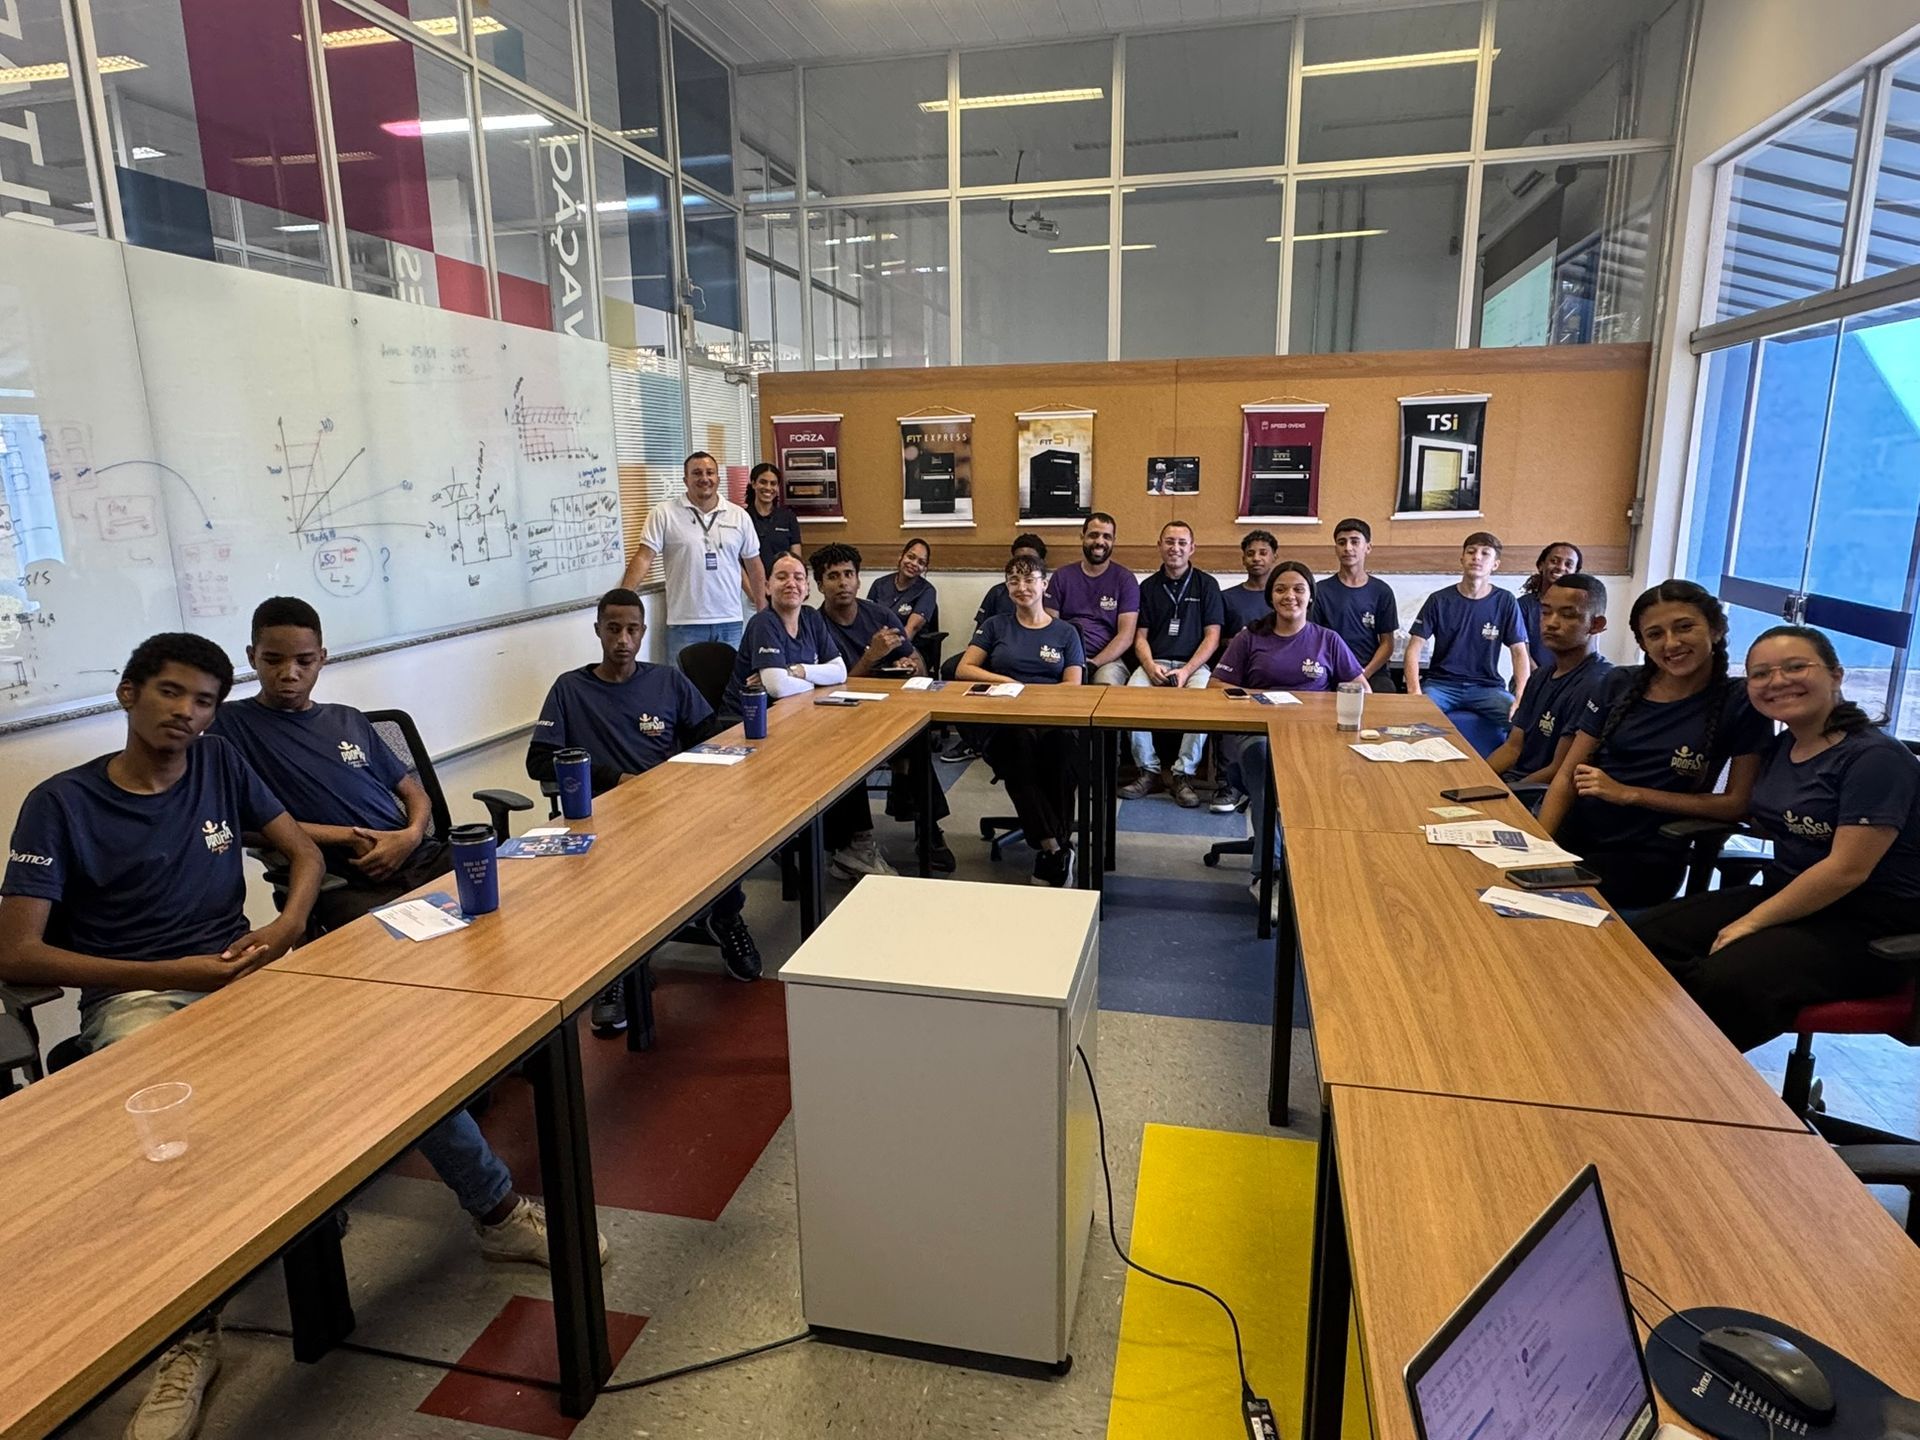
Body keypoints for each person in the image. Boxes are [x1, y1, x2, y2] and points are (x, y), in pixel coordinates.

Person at [2, 634, 592, 1440]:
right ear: (127, 693)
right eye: (169, 693)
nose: (186, 713)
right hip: (143, 995)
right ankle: (184, 1336)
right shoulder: (61, 803)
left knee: (398, 1068)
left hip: (245, 969)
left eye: (204, 701)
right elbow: (17, 951)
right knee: (174, 1153)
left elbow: (302, 851)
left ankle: (497, 1215)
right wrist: (177, 970)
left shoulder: (218, 765)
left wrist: (282, 926)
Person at [1634, 626, 1920, 1053]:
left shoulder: (1875, 758)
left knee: (1722, 980)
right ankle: (1636, 1059)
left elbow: (1846, 870)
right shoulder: (1784, 746)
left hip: (1869, 926)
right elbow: (1773, 818)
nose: (1777, 681)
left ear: (1836, 675)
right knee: (1639, 940)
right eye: (1760, 674)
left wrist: (1751, 922)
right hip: (1791, 897)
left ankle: (1683, 1086)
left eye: (1795, 667)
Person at [528, 589, 763, 1003]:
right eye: (613, 629)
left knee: (728, 834)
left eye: (632, 630)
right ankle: (613, 973)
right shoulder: (570, 689)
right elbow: (540, 761)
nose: (623, 639)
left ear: (643, 632)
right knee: (612, 884)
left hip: (667, 807)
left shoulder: (667, 679)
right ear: (598, 631)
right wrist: (615, 779)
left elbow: (705, 736)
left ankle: (726, 921)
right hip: (602, 814)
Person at [209, 597, 445, 932]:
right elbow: (237, 824)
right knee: (385, 955)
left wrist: (411, 835)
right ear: (251, 657)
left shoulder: (348, 718)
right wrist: (349, 837)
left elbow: (413, 792)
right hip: (343, 877)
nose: (289, 674)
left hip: (417, 855)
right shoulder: (229, 725)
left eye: (304, 661)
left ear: (322, 658)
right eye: (273, 660)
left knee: (510, 889)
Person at [1538, 580, 1771, 910]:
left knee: (1544, 907)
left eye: (1684, 627)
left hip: (1644, 858)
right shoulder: (1617, 684)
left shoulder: (1740, 701)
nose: (1671, 643)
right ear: (1643, 643)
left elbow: (1735, 804)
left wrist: (1631, 794)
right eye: (1655, 634)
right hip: (1576, 831)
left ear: (1717, 629)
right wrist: (1541, 845)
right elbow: (1566, 776)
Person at [726, 554, 897, 883]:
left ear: (807, 589)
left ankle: (850, 846)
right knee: (838, 754)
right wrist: (810, 680)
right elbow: (776, 687)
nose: (790, 583)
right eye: (781, 577)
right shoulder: (764, 623)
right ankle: (849, 848)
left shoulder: (810, 619)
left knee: (848, 750)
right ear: (766, 586)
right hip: (748, 730)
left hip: (795, 718)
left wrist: (798, 671)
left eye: (798, 578)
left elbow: (839, 672)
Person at [1209, 563, 1365, 907]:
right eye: (1280, 589)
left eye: (1298, 589)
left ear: (1310, 596)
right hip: (1258, 735)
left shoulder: (1328, 640)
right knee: (1268, 762)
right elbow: (1216, 685)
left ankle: (1326, 865)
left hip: (1315, 737)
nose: (1289, 596)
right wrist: (1258, 699)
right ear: (1270, 596)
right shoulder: (1251, 637)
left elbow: (1360, 688)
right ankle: (1270, 873)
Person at [813, 543, 955, 872]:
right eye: (833, 577)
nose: (843, 583)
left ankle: (929, 828)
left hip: (888, 711)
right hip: (840, 719)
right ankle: (857, 840)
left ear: (859, 579)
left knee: (917, 743)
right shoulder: (815, 625)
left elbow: (917, 660)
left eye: (849, 574)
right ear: (820, 585)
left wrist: (911, 664)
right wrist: (871, 656)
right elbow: (830, 685)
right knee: (849, 754)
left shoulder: (879, 615)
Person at [956, 553, 1087, 887]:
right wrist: (1009, 683)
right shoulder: (995, 625)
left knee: (1061, 753)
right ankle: (1055, 848)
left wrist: (1037, 696)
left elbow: (1073, 684)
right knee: (1016, 753)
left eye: (1030, 580)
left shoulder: (1066, 632)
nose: (1021, 587)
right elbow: (964, 668)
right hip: (1007, 720)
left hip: (1053, 718)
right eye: (1014, 580)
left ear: (1045, 585)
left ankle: (1053, 848)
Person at [620, 451, 767, 663]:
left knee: (730, 690)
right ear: (685, 480)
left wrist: (762, 608)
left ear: (718, 478)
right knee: (685, 690)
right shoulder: (664, 513)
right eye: (697, 473)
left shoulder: (739, 516)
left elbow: (753, 564)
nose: (704, 478)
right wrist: (622, 599)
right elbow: (644, 557)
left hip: (730, 621)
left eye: (710, 472)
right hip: (685, 623)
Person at [1118, 520, 1224, 809]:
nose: (1174, 548)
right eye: (1169, 541)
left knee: (1203, 703)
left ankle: (1183, 774)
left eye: (1181, 542)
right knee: (1129, 698)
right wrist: (1151, 667)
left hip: (1194, 666)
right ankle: (1148, 770)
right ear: (1159, 546)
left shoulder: (1207, 585)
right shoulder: (1148, 587)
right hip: (1157, 662)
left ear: (1192, 548)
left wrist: (1187, 670)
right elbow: (1140, 637)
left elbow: (1212, 638)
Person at [1404, 531, 1531, 757]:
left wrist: (1521, 697)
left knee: (1524, 723)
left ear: (1496, 564)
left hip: (1487, 687)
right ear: (1461, 559)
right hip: (1441, 685)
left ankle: (1511, 775)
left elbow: (1519, 653)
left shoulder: (1505, 601)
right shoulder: (1439, 600)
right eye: (1471, 552)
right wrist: (1414, 692)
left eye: (1485, 553)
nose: (1477, 557)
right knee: (1413, 723)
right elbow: (1414, 648)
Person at [1485, 574, 1613, 790]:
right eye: (1545, 612)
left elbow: (1559, 770)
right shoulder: (1540, 676)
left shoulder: (1599, 684)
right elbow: (1513, 748)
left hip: (1539, 794)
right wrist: (1476, 780)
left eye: (1567, 615)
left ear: (1596, 624)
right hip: (1514, 784)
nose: (1551, 623)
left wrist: (1502, 793)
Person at [1210, 530, 1279, 814]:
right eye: (1250, 553)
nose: (1257, 558)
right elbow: (1216, 638)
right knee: (1224, 708)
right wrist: (1242, 640)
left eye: (1263, 553)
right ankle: (1230, 784)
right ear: (1243, 559)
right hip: (1238, 675)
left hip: (1276, 676)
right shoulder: (1228, 598)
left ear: (1275, 557)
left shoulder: (1283, 597)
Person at [1043, 512, 1140, 686]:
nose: (1100, 542)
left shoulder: (1125, 580)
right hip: (1064, 655)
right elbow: (1050, 626)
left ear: (1114, 541)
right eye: (1093, 535)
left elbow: (1126, 635)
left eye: (1107, 537)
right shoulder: (1062, 576)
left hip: (1108, 660)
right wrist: (1071, 660)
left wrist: (1094, 663)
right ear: (1082, 537)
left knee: (1106, 683)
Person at [1310, 517, 1399, 690]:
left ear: (1368, 548)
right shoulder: (1320, 590)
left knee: (1386, 691)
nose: (1348, 548)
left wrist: (1362, 675)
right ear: (1336, 548)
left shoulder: (1382, 591)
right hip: (1329, 669)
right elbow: (1313, 638)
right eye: (1342, 543)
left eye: (1355, 542)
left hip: (1370, 671)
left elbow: (1387, 644)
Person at [1518, 541, 1584, 675]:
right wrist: (1541, 681)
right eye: (1554, 561)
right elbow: (1521, 652)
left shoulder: (1582, 607)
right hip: (1530, 677)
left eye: (1568, 564)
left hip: (1570, 680)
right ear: (1541, 565)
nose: (1560, 567)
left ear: (1575, 572)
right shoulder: (1522, 605)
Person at [867, 537, 937, 642]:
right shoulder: (879, 584)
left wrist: (886, 650)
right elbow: (867, 620)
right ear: (901, 556)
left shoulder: (927, 591)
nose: (914, 563)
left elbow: (911, 629)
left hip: (908, 647)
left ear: (924, 569)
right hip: (877, 642)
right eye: (910, 557)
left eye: (921, 562)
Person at [975, 533, 1049, 628]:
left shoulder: (1051, 593)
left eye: (1030, 559)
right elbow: (980, 630)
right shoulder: (998, 593)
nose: (1024, 564)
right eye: (1018, 559)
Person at [746, 461, 803, 566]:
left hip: (781, 579)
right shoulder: (742, 517)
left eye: (773, 483)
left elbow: (796, 560)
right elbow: (737, 560)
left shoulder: (788, 517)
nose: (768, 488)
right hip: (750, 580)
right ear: (753, 484)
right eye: (763, 482)